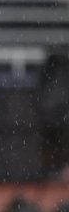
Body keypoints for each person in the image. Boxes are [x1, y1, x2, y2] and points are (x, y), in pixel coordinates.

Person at [38, 41, 69, 181]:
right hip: (54, 110)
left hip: (55, 110)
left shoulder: (53, 65)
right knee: (53, 140)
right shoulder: (51, 66)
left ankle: (57, 168)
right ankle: (55, 168)